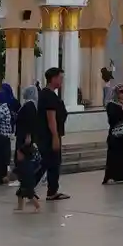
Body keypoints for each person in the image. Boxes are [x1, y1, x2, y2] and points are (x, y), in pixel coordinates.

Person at [38, 67, 70, 201]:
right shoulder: (49, 96)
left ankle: (52, 191)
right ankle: (27, 189)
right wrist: (55, 136)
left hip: (49, 135)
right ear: (53, 79)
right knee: (49, 163)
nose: (62, 81)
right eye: (60, 78)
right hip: (49, 136)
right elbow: (51, 118)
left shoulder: (48, 94)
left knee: (51, 163)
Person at [12, 85, 42, 212]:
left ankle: (36, 204)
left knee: (23, 170)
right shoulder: (30, 105)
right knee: (22, 174)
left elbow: (29, 123)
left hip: (23, 142)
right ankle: (20, 205)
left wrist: (26, 140)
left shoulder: (29, 106)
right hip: (23, 140)